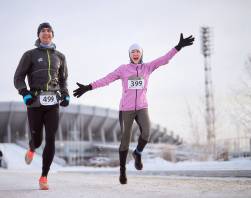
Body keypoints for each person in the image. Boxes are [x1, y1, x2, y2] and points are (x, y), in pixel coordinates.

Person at [73, 33, 194, 185]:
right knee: (125, 141)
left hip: (142, 107)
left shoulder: (147, 68)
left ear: (141, 54)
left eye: (137, 51)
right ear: (129, 55)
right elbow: (106, 79)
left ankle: (137, 153)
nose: (135, 54)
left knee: (147, 133)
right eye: (132, 52)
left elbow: (164, 59)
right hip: (126, 110)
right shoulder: (123, 69)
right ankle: (122, 170)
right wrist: (88, 87)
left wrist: (178, 47)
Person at [14, 22, 70, 190]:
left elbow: (63, 80)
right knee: (37, 140)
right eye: (43, 31)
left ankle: (44, 176)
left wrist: (65, 93)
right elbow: (18, 77)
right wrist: (25, 94)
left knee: (51, 137)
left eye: (49, 31)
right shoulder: (29, 55)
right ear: (38, 35)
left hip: (53, 102)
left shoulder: (60, 56)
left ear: (53, 34)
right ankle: (32, 148)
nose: (46, 33)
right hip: (35, 103)